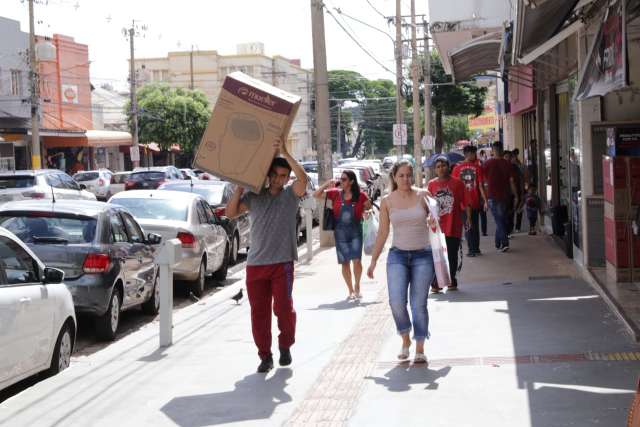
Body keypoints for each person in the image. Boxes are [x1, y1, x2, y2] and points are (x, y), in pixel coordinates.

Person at [226, 138, 308, 373]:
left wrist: (286, 153)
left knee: (284, 308)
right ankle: (265, 356)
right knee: (258, 314)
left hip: (282, 263)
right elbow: (231, 213)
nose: (281, 180)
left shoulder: (291, 195)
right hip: (256, 265)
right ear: (269, 175)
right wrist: (240, 187)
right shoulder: (254, 197)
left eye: (285, 176)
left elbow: (303, 180)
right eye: (277, 175)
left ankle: (285, 346)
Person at [367, 159, 433, 364]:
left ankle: (420, 346)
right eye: (401, 175)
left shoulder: (424, 195)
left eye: (408, 174)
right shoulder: (387, 201)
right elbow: (383, 232)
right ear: (394, 178)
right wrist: (373, 261)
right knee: (396, 302)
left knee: (418, 304)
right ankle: (405, 339)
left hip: (423, 255)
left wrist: (432, 220)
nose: (405, 179)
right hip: (398, 256)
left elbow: (436, 220)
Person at [314, 170, 372, 300]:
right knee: (345, 262)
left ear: (351, 181)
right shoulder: (335, 193)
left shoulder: (361, 195)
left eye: (344, 179)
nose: (341, 181)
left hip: (356, 231)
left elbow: (369, 207)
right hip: (340, 233)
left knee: (357, 261)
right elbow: (316, 194)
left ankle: (357, 286)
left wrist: (366, 212)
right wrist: (327, 183)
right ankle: (350, 290)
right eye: (341, 179)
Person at [427, 156, 468, 292]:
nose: (441, 168)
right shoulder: (431, 185)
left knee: (451, 254)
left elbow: (464, 203)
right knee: (437, 255)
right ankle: (437, 282)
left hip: (453, 224)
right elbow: (427, 205)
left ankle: (451, 280)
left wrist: (468, 219)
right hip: (437, 226)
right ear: (435, 170)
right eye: (438, 167)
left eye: (443, 165)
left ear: (449, 167)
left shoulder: (458, 184)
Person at [482, 142, 519, 252]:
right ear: (502, 150)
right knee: (501, 219)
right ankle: (501, 242)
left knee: (499, 219)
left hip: (492, 196)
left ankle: (501, 243)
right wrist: (516, 195)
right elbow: (511, 181)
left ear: (493, 151)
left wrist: (483, 198)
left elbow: (482, 182)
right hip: (505, 195)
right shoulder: (507, 164)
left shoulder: (486, 164)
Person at [452, 145, 487, 257]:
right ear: (468, 154)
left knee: (468, 225)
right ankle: (476, 248)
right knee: (475, 225)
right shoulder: (477, 168)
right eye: (474, 153)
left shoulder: (457, 169)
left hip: (463, 202)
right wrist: (485, 200)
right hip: (475, 201)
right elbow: (481, 186)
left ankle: (472, 250)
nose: (475, 156)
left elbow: (454, 187)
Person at [511, 148, 526, 233]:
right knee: (513, 210)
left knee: (519, 209)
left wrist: (523, 191)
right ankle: (513, 226)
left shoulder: (520, 166)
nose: (513, 158)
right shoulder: (510, 166)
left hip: (519, 190)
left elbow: (522, 179)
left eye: (514, 156)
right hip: (512, 191)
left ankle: (517, 226)